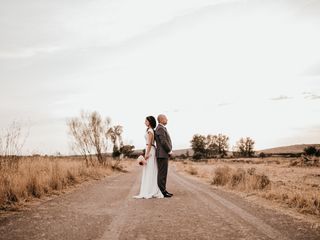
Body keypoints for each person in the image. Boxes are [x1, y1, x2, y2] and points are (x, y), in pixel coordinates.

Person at [133, 116, 164, 199]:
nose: (144, 122)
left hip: (150, 150)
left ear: (150, 122)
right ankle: (149, 189)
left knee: (150, 169)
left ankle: (150, 190)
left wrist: (146, 154)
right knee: (149, 169)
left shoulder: (150, 131)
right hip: (149, 149)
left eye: (146, 121)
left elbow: (149, 143)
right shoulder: (149, 130)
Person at [155, 114, 173, 198]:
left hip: (163, 154)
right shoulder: (160, 128)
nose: (167, 120)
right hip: (162, 154)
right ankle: (162, 192)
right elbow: (163, 141)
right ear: (161, 119)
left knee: (163, 173)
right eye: (166, 118)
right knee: (162, 173)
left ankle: (163, 190)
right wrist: (169, 150)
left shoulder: (161, 128)